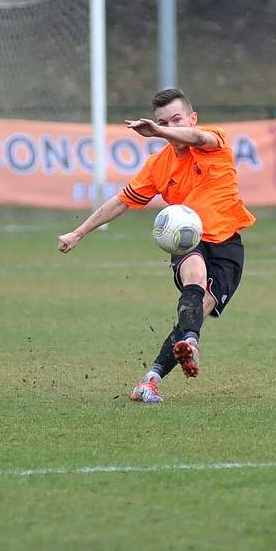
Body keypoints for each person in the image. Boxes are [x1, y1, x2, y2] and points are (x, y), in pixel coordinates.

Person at [58, 88, 256, 403]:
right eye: (163, 122)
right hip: (187, 238)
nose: (171, 127)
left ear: (192, 118)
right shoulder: (157, 165)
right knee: (193, 273)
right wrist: (79, 232)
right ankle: (190, 342)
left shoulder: (213, 140)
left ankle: (150, 380)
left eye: (176, 119)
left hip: (227, 244)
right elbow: (121, 201)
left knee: (199, 309)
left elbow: (197, 138)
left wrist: (160, 131)